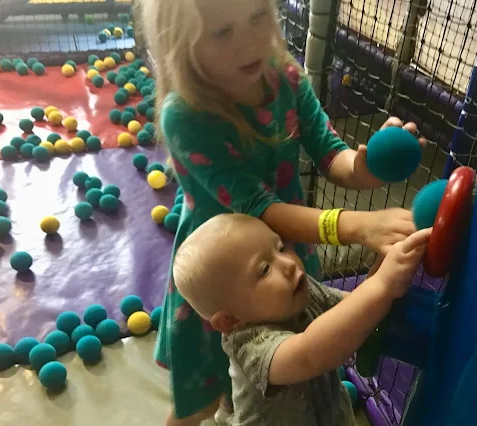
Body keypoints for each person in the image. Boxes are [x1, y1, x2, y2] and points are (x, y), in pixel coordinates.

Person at [138, 0, 427, 423]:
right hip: (228, 267)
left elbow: (332, 154)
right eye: (222, 32)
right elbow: (261, 208)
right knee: (208, 392)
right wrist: (358, 226)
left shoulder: (285, 77)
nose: (251, 40)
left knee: (295, 355)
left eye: (257, 17)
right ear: (181, 47)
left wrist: (367, 165)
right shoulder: (187, 114)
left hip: (279, 250)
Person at [172, 214, 431, 425]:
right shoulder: (250, 346)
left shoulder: (299, 291)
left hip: (328, 412)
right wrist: (383, 285)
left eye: (280, 247)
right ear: (230, 320)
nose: (287, 263)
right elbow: (309, 354)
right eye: (264, 269)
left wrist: (378, 281)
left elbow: (349, 308)